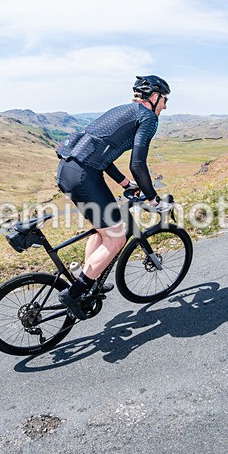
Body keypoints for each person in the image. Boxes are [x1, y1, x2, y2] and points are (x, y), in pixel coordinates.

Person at [55, 75, 173, 320]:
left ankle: (90, 281)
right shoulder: (148, 118)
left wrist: (124, 184)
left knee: (104, 231)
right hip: (85, 176)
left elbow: (99, 151)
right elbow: (138, 164)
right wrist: (154, 200)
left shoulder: (123, 110)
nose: (165, 105)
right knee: (117, 238)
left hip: (68, 169)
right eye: (164, 100)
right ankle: (74, 294)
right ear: (154, 97)